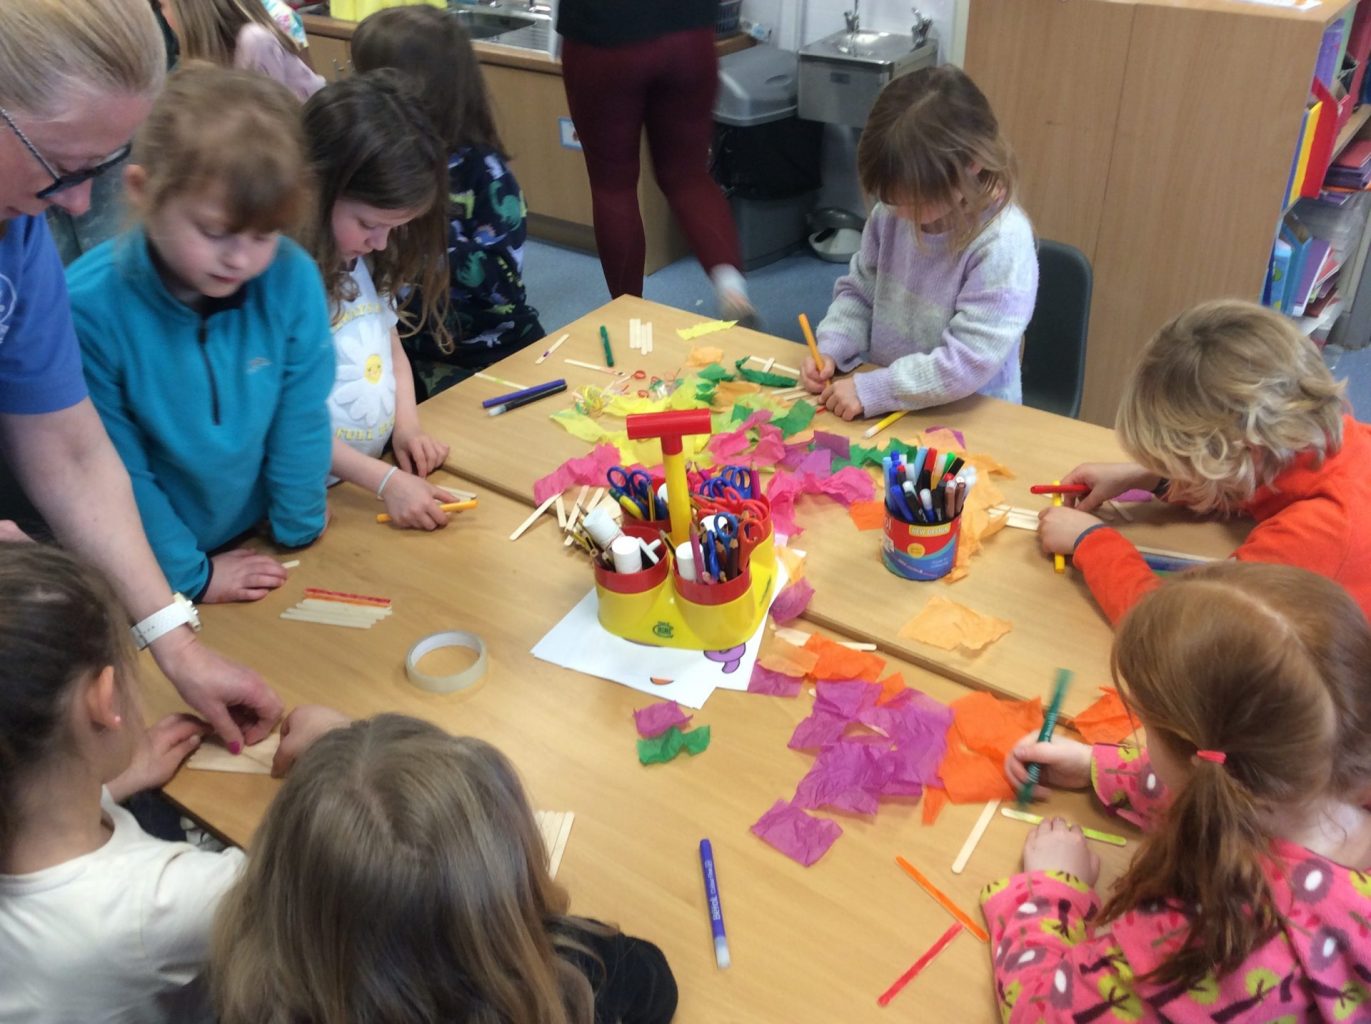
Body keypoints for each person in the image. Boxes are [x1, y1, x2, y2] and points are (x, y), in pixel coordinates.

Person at [0, 0, 279, 751]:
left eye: (99, 167)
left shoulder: (17, 235)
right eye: (59, 165)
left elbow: (71, 451)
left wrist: (175, 642)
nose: (77, 202)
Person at [985, 561, 1371, 1022]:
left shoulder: (1210, 937)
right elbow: (1226, 792)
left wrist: (1051, 891)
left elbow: (1044, 1014)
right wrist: (1095, 766)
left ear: (1197, 758)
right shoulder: (1330, 781)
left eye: (1146, 724)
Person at [212, 712, 679, 1024]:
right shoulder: (579, 982)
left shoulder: (257, 995)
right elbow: (654, 984)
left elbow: (382, 834)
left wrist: (344, 759)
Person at [67, 65, 335, 603]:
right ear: (143, 190)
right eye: (214, 232)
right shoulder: (86, 308)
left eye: (264, 235)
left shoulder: (291, 278)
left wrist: (299, 523)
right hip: (147, 567)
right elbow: (116, 471)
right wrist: (192, 576)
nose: (240, 259)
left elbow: (301, 417)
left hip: (257, 536)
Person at [0, 544, 239, 1024]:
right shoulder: (160, 904)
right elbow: (309, 882)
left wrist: (106, 784)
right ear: (105, 700)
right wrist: (339, 748)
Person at [1038, 299, 1370, 623]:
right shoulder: (1312, 439)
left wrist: (1090, 542)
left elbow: (1178, 631)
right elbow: (1257, 483)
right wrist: (1153, 477)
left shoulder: (1318, 532)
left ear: (1240, 451)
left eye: (1187, 463)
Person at [800, 66, 1038, 421]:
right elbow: (860, 293)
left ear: (972, 163)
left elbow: (966, 362)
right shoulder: (891, 214)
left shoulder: (1003, 243)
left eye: (918, 200)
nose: (902, 213)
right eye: (892, 199)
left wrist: (877, 389)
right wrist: (833, 346)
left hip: (971, 417)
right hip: (894, 403)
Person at [351, 5, 546, 399]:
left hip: (492, 348)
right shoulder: (379, 168)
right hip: (411, 348)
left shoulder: (483, 172)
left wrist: (424, 240)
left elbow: (502, 284)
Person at [300, 73, 458, 530]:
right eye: (370, 224)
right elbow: (289, 418)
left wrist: (407, 428)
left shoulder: (359, 258)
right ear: (317, 187)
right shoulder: (288, 282)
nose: (381, 243)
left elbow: (391, 351)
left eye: (394, 227)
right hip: (309, 496)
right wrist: (385, 480)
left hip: (363, 482)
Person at [556, 0, 754, 322]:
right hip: (690, 32)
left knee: (613, 186)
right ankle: (732, 289)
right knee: (689, 176)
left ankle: (629, 314)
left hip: (604, 34)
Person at [160, 0, 322, 100]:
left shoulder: (254, 40)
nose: (163, 15)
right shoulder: (204, 56)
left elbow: (271, 123)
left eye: (162, 5)